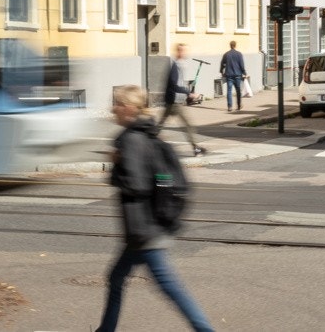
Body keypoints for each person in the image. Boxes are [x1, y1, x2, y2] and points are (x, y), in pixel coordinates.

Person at [93, 85, 215, 332]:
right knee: (116, 278)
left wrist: (115, 168)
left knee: (169, 286)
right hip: (148, 226)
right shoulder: (148, 133)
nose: (113, 108)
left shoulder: (131, 140)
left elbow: (137, 185)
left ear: (128, 108)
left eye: (117, 103)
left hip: (145, 229)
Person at [160, 44, 204, 156]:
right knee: (188, 125)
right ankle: (196, 148)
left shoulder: (180, 64)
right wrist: (189, 93)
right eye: (182, 51)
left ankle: (146, 141)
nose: (184, 53)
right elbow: (174, 84)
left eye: (185, 50)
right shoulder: (176, 66)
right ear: (178, 52)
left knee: (160, 125)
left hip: (174, 100)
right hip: (175, 101)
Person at [218, 41, 246, 113]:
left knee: (229, 91)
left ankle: (229, 106)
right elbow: (241, 64)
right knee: (238, 90)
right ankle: (239, 106)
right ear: (235, 45)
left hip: (229, 75)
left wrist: (221, 71)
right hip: (237, 75)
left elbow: (222, 64)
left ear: (230, 46)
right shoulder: (239, 54)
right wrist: (244, 72)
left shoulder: (226, 54)